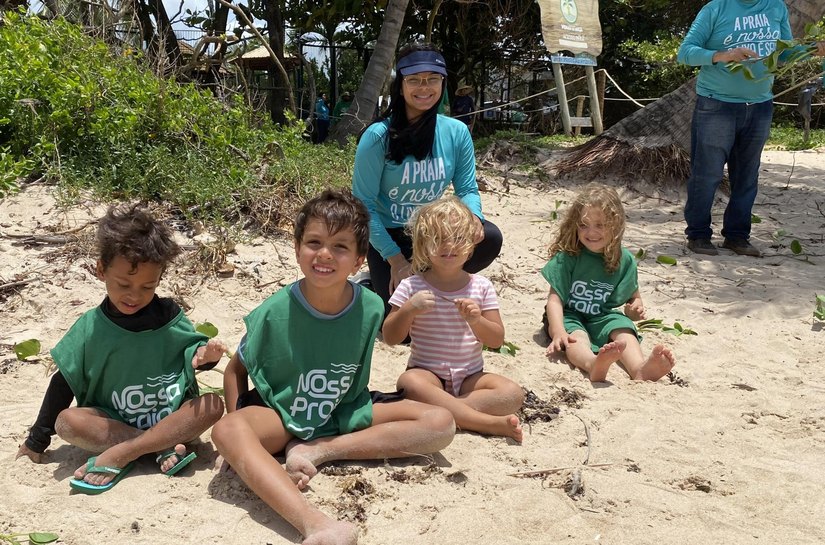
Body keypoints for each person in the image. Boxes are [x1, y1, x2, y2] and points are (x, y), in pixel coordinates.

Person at [211, 189, 455, 545]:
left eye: (340, 247)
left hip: (344, 408)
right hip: (282, 413)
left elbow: (392, 336)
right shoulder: (273, 311)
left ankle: (320, 450)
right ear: (297, 249)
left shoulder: (371, 305)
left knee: (440, 423)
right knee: (228, 431)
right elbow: (235, 371)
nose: (325, 254)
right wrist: (238, 443)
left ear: (359, 260)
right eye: (314, 242)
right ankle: (315, 523)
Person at [15, 204, 226, 493]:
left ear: (159, 279)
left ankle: (123, 453)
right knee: (67, 422)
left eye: (147, 287)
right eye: (124, 283)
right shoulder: (91, 327)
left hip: (169, 417)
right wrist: (36, 441)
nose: (134, 295)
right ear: (101, 270)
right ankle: (153, 447)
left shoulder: (168, 315)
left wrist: (205, 358)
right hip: (113, 423)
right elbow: (62, 383)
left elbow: (193, 354)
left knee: (213, 404)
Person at [352, 43, 503, 317]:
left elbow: (467, 188)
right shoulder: (377, 137)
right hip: (389, 236)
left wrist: (474, 218)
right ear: (401, 85)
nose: (424, 87)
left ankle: (436, 281)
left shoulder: (456, 132)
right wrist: (396, 260)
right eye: (414, 80)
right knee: (402, 327)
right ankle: (374, 281)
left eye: (432, 79)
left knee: (489, 237)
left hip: (433, 233)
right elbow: (363, 206)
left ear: (443, 83)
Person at [677, 0, 825, 257]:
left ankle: (737, 237)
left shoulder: (776, 7)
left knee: (747, 177)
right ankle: (698, 235)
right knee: (707, 174)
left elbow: (782, 54)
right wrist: (722, 55)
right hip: (716, 104)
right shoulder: (716, 8)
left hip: (760, 105)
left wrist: (811, 50)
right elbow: (686, 52)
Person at [382, 197, 524, 442]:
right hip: (427, 374)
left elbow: (497, 340)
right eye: (439, 239)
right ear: (424, 246)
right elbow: (390, 337)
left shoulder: (481, 287)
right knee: (409, 381)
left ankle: (450, 412)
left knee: (512, 394)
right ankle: (483, 422)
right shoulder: (411, 285)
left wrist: (477, 320)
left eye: (458, 238)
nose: (449, 246)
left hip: (470, 377)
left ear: (471, 244)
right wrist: (408, 310)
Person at [542, 184, 676, 383]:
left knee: (624, 328)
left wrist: (634, 310)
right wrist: (558, 330)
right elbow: (554, 300)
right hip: (569, 314)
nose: (591, 232)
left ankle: (639, 369)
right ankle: (592, 363)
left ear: (615, 225)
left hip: (602, 316)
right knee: (576, 338)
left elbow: (634, 297)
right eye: (584, 225)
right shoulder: (569, 257)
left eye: (600, 225)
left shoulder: (625, 260)